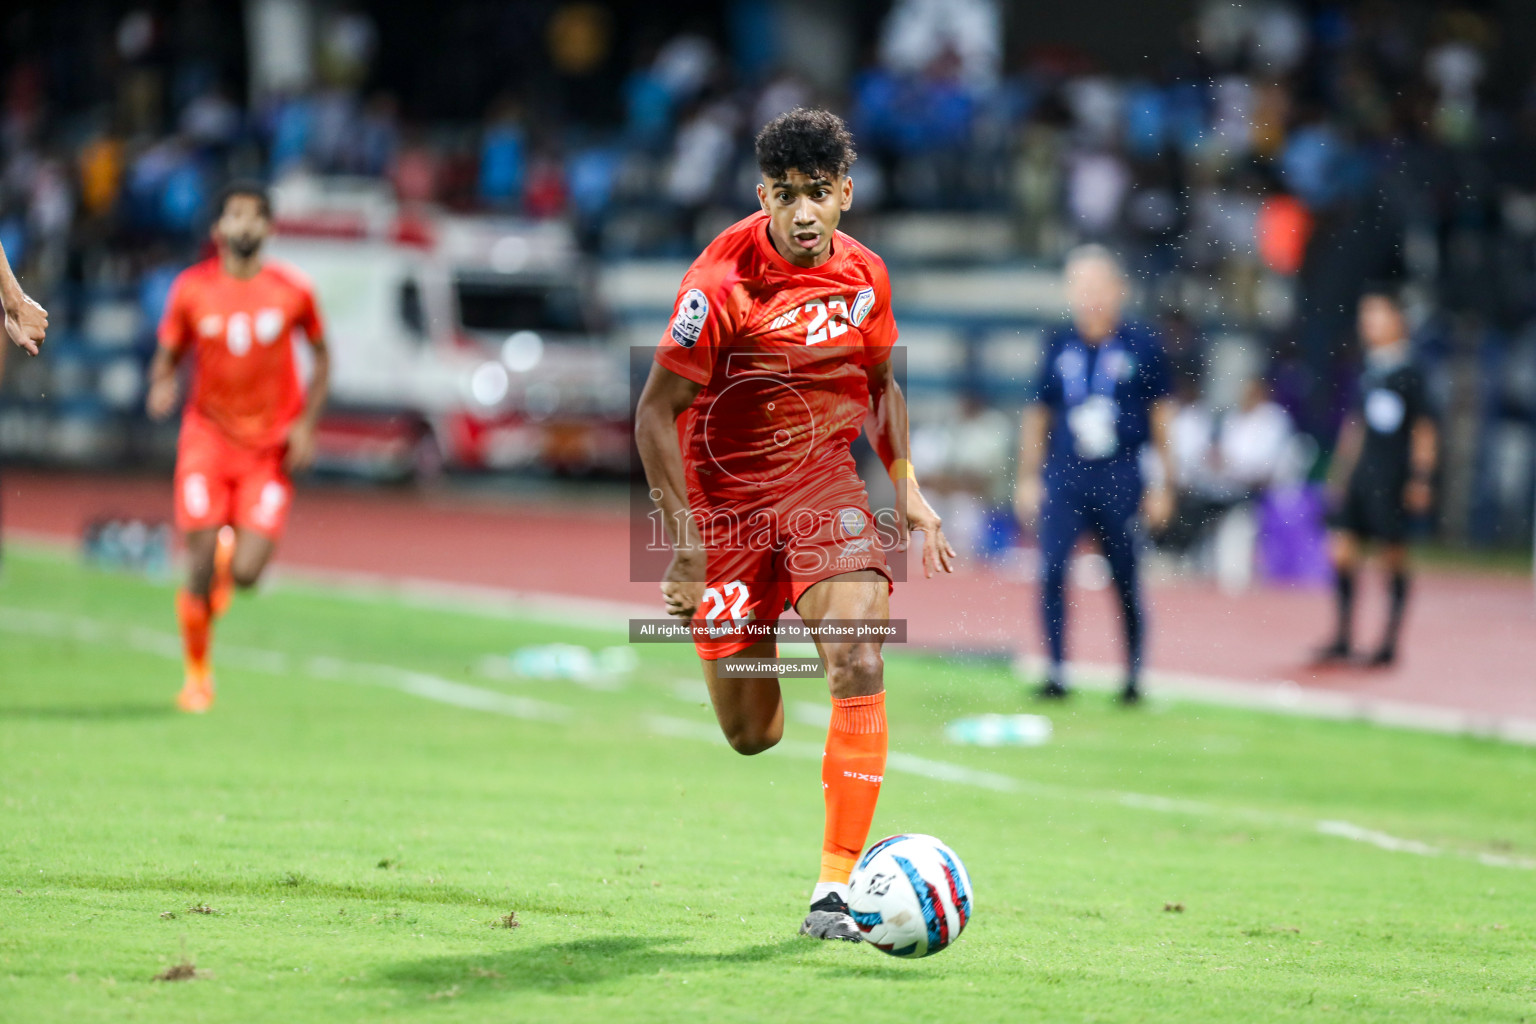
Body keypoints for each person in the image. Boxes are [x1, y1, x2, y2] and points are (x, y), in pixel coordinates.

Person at [634, 108, 955, 942]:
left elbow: (883, 383)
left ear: (845, 194)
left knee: (857, 651)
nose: (802, 211)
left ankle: (833, 894)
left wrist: (909, 485)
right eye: (785, 195)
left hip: (822, 489)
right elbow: (652, 414)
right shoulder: (718, 286)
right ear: (762, 194)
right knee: (754, 733)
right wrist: (685, 551)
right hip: (727, 513)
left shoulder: (866, 277)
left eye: (818, 193)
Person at [146, 181, 330, 712]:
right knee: (197, 562)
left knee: (246, 576)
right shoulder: (191, 290)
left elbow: (323, 358)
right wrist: (161, 382)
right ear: (218, 229)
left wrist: (308, 425)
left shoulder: (293, 292)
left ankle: (231, 555)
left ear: (269, 229)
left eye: (254, 217)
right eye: (234, 216)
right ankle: (198, 675)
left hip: (269, 448)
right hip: (207, 437)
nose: (244, 226)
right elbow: (168, 354)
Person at [1014, 246, 1175, 704]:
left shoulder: (1143, 343)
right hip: (1066, 474)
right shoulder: (1058, 342)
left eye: (1099, 286)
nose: (1091, 297)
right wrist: (1028, 477)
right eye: (1081, 287)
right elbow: (1038, 413)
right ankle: (1057, 670)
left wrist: (1164, 483)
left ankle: (1133, 674)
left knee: (1124, 573)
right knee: (1051, 568)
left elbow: (1163, 417)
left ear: (1119, 289)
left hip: (1121, 473)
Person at [1315, 289, 1437, 667]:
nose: (1368, 323)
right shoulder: (1369, 368)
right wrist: (1340, 472)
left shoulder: (1412, 372)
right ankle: (1343, 635)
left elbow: (1424, 428)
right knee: (1342, 551)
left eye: (1376, 314)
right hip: (1363, 474)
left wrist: (1420, 477)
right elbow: (1357, 424)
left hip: (1393, 475)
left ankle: (1388, 641)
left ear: (1397, 320)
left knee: (1392, 556)